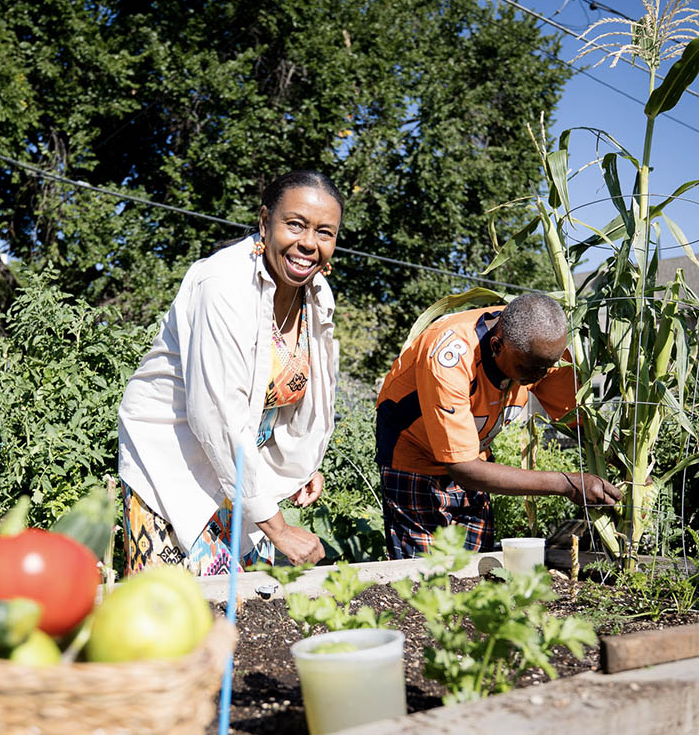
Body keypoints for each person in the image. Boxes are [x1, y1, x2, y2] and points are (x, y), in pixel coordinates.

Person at [118, 170, 344, 576]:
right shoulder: (223, 285)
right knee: (172, 617)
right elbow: (217, 416)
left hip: (241, 470)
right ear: (264, 222)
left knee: (249, 615)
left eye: (324, 232)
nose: (309, 243)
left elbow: (306, 395)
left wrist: (302, 464)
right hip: (177, 461)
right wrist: (278, 529)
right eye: (295, 224)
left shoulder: (316, 296)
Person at [375, 293, 621, 558]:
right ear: (496, 347)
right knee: (423, 576)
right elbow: (463, 468)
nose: (541, 376)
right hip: (414, 460)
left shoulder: (539, 345)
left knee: (473, 569)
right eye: (533, 369)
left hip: (473, 457)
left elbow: (580, 422)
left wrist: (626, 460)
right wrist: (567, 484)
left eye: (548, 367)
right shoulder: (451, 356)